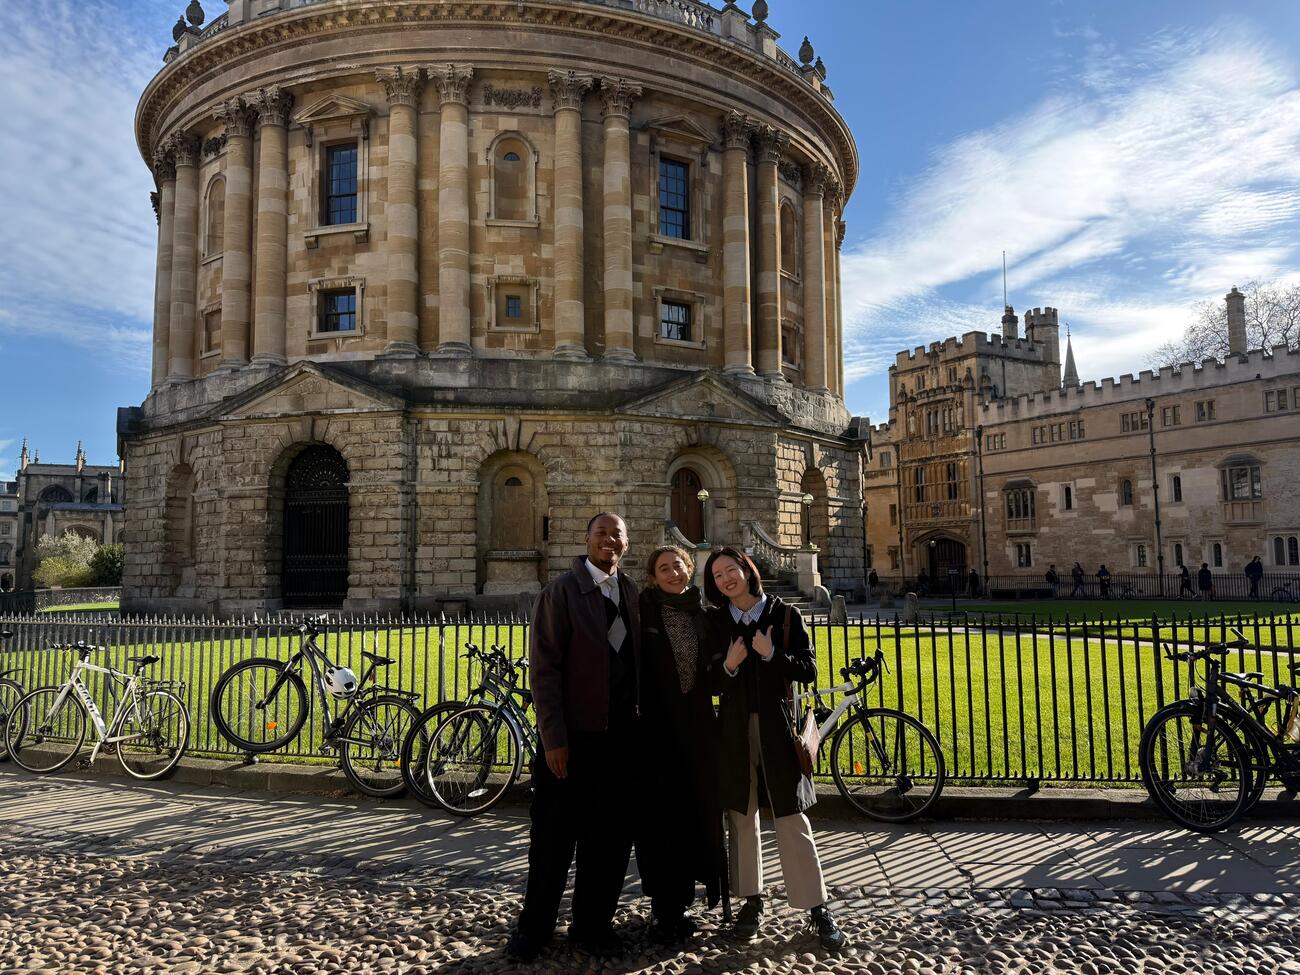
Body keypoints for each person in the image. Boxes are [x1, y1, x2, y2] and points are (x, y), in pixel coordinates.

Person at [508, 513, 641, 962]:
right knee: (553, 840)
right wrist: (553, 739)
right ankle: (535, 929)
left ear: (626, 543)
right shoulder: (560, 593)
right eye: (601, 533)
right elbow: (544, 671)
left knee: (608, 841)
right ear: (586, 539)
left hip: (619, 739)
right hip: (573, 739)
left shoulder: (629, 592)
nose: (609, 540)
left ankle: (592, 925)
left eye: (616, 534)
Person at [704, 547, 847, 951]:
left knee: (790, 815)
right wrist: (729, 665)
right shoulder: (717, 622)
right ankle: (752, 900)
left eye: (731, 570)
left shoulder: (785, 615)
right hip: (733, 730)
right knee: (741, 814)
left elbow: (809, 669)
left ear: (748, 571)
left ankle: (816, 906)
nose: (726, 579)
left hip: (777, 728)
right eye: (717, 576)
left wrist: (771, 655)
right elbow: (709, 682)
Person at [635, 545, 726, 944]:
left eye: (679, 566)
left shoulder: (703, 616)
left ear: (690, 570)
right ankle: (664, 908)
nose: (673, 573)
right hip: (655, 731)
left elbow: (718, 674)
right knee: (659, 818)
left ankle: (686, 901)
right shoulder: (641, 613)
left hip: (698, 728)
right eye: (664, 569)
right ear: (652, 577)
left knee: (696, 814)